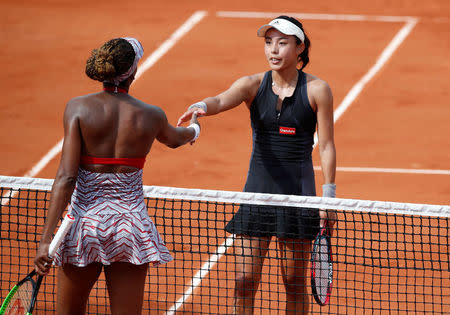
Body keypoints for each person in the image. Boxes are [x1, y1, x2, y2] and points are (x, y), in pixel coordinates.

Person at [177, 16, 336, 314]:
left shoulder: (317, 90)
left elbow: (326, 145)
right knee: (244, 280)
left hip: (298, 197)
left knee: (293, 282)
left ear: (300, 48)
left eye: (283, 42)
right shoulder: (251, 85)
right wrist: (200, 106)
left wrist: (328, 196)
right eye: (268, 42)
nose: (273, 50)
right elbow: (222, 99)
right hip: (256, 193)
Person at [33, 37, 201, 314]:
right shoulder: (151, 115)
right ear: (133, 71)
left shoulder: (78, 108)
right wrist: (195, 129)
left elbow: (65, 177)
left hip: (83, 226)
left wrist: (45, 239)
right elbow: (176, 138)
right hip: (129, 227)